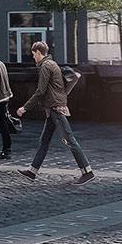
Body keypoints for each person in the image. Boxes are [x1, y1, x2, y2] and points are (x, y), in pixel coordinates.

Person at [21, 41, 95, 183]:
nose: (33, 57)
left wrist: (25, 107)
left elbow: (41, 90)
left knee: (70, 139)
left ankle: (87, 172)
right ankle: (32, 171)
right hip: (53, 107)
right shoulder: (52, 64)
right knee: (44, 141)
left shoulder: (45, 66)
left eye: (33, 54)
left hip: (55, 108)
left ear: (38, 52)